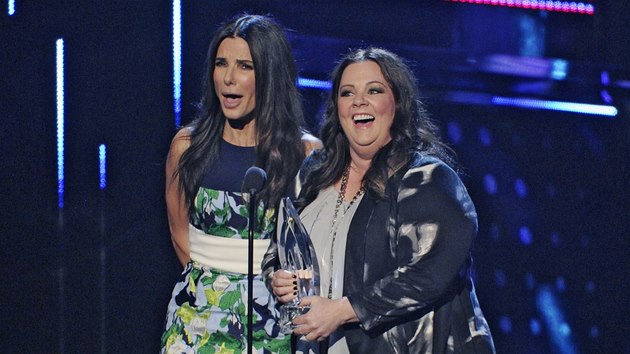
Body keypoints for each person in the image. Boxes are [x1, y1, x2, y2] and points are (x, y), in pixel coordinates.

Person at [265, 47, 495, 353]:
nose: (359, 101)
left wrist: (343, 310)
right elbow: (277, 248)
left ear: (397, 104)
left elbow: (430, 273)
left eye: (374, 90)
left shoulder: (427, 179)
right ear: (337, 108)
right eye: (347, 93)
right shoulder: (313, 172)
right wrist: (278, 278)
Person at [161, 14, 321, 353]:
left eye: (245, 66)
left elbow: (316, 248)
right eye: (221, 64)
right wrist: (218, 289)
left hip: (275, 324)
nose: (229, 79)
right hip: (196, 320)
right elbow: (179, 232)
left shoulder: (306, 153)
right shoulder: (186, 147)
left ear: (269, 75)